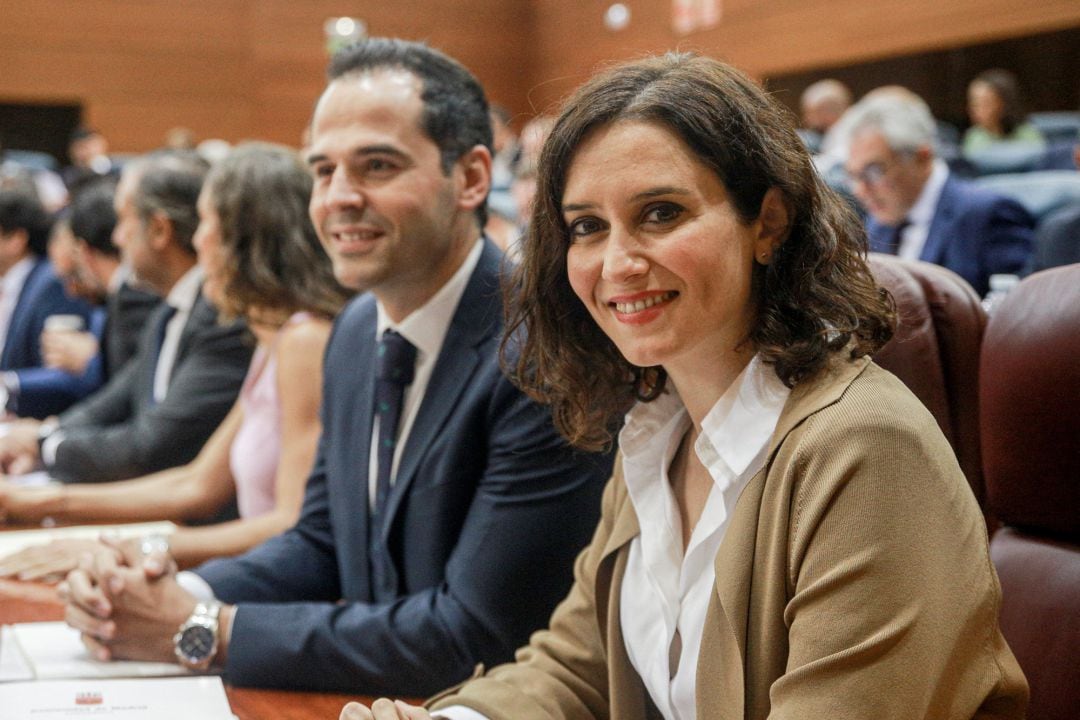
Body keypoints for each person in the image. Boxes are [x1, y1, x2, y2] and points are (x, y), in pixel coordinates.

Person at [341, 52, 1028, 720]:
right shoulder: (657, 426)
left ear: (768, 223)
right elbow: (578, 669)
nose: (618, 263)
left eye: (661, 213)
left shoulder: (867, 449)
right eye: (587, 226)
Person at [58, 38, 610, 696]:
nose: (339, 197)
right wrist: (160, 592)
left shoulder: (542, 348)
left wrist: (203, 627)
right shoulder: (353, 330)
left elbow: (474, 633)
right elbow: (320, 542)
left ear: (470, 178)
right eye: (323, 170)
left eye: (376, 165)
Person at [0, 142, 349, 576]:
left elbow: (290, 528)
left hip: (269, 596)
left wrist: (124, 549)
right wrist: (33, 502)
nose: (198, 241)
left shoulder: (306, 341)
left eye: (206, 223)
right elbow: (195, 483)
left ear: (247, 240)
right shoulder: (275, 340)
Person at [0, 150, 252, 482]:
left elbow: (153, 443)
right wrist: (41, 437)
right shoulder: (169, 308)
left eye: (124, 220)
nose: (117, 238)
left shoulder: (222, 318)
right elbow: (116, 399)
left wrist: (46, 446)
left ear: (160, 230)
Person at [844, 92, 1034, 296]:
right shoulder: (876, 223)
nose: (860, 190)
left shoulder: (989, 215)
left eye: (873, 171)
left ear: (922, 157)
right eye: (853, 175)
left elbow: (1017, 314)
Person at [0, 189, 94, 418]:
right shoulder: (16, 280)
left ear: (15, 240)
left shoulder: (52, 282)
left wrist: (5, 388)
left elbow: (61, 370)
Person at [963, 69, 1045, 156]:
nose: (974, 109)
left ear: (1005, 105)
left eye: (985, 103)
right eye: (974, 103)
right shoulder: (974, 138)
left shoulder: (1028, 134)